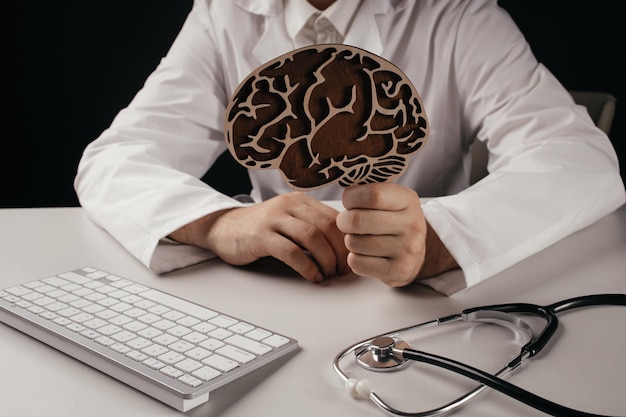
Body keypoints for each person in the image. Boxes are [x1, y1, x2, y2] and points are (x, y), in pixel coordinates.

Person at [74, 0, 625, 296]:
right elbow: (116, 158)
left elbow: (577, 160)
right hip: (277, 290)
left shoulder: (457, 15)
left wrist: (440, 239)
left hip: (429, 301)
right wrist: (218, 222)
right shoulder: (224, 14)